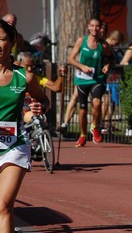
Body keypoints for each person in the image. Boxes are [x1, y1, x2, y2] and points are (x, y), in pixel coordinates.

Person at [0, 19, 49, 233]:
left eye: (1, 39)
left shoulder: (24, 77)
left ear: (12, 42)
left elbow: (43, 100)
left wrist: (40, 107)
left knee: (3, 205)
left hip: (14, 147)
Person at [67, 17, 112, 147]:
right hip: (82, 79)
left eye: (97, 26)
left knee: (97, 103)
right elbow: (70, 59)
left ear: (100, 28)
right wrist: (81, 66)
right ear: (88, 27)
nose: (95, 29)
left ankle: (95, 127)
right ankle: (82, 135)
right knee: (82, 109)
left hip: (97, 78)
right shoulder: (82, 41)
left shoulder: (103, 45)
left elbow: (110, 59)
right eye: (92, 26)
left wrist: (107, 66)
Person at [16, 51, 67, 123]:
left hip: (31, 111)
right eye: (27, 66)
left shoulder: (34, 77)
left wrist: (61, 75)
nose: (30, 69)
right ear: (19, 63)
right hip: (17, 112)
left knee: (41, 122)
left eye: (32, 66)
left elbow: (56, 87)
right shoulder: (13, 76)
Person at [101, 30, 124, 134]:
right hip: (106, 76)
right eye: (117, 42)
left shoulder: (113, 49)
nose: (117, 45)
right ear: (114, 39)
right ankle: (100, 122)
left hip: (114, 77)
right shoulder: (105, 46)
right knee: (106, 100)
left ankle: (107, 122)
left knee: (113, 101)